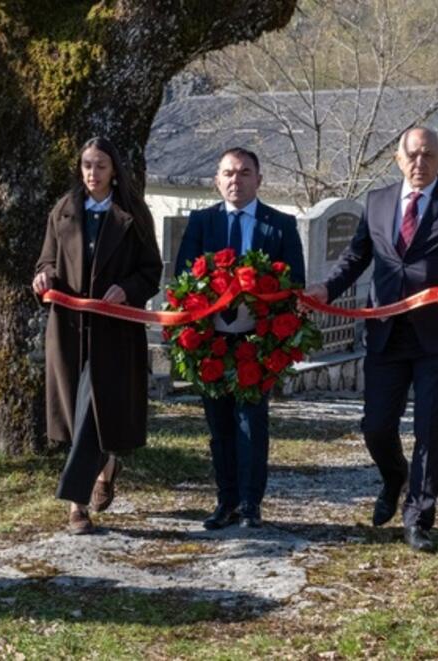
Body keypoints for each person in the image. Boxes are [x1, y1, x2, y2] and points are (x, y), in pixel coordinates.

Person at [305, 127, 438, 552]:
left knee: (431, 427)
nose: (419, 162)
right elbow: (357, 257)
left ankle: (418, 518)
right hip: (385, 333)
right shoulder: (376, 202)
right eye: (412, 154)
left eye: (428, 155)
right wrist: (326, 289)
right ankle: (395, 475)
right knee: (376, 426)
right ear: (397, 159)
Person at [33, 136, 162, 534]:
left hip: (114, 330)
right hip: (69, 330)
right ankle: (105, 467)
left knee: (94, 410)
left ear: (114, 170)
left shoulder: (133, 214)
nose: (93, 173)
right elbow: (47, 260)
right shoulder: (64, 210)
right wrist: (44, 278)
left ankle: (76, 505)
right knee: (76, 413)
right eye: (87, 165)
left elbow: (150, 270)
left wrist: (127, 288)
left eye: (101, 165)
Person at [174, 147, 305, 530]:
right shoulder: (201, 222)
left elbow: (293, 283)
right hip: (211, 341)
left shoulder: (279, 225)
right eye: (229, 173)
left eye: (245, 172)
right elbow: (184, 279)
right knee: (219, 426)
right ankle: (225, 500)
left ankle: (250, 504)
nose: (236, 179)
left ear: (259, 179)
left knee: (251, 423)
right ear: (217, 180)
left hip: (257, 341)